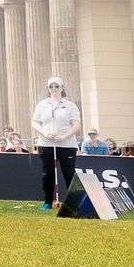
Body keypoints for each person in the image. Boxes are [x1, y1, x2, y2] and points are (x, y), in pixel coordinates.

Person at [31, 76, 82, 208]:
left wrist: (65, 136)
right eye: (51, 86)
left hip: (67, 144)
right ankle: (48, 202)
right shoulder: (42, 105)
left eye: (56, 86)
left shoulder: (70, 105)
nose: (54, 88)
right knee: (48, 173)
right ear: (48, 89)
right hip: (46, 143)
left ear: (62, 88)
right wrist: (45, 132)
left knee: (69, 173)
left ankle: (73, 203)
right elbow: (35, 122)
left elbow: (76, 124)